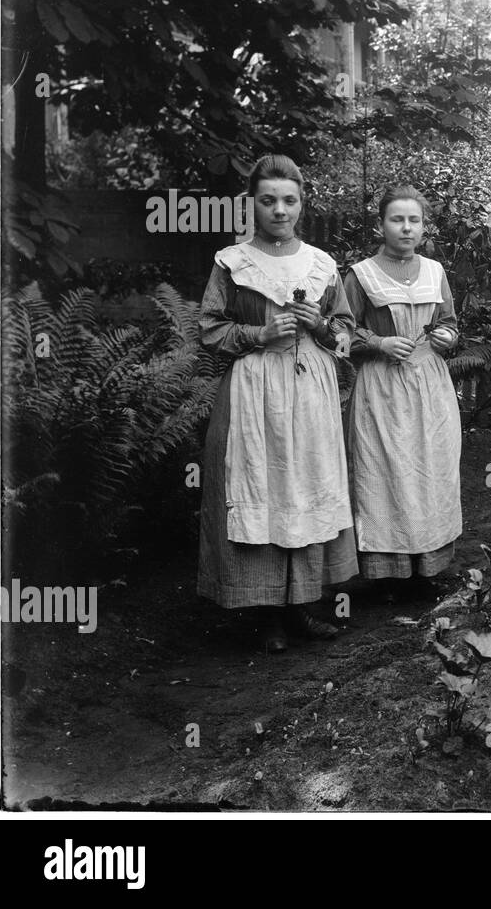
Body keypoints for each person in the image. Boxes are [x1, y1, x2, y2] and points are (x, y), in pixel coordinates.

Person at [198, 154, 356, 652]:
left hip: (310, 391)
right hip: (255, 389)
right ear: (252, 204)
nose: (279, 210)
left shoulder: (322, 265)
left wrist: (321, 325)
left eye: (289, 200)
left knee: (305, 484)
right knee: (262, 485)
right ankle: (265, 615)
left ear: (302, 203)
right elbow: (210, 330)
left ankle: (302, 606)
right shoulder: (232, 263)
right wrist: (259, 333)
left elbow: (345, 334)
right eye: (268, 200)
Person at [343, 186, 462, 599]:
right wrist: (378, 342)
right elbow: (339, 332)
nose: (406, 228)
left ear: (424, 227)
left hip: (430, 384)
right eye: (397, 219)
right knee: (386, 472)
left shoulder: (435, 271)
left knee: (431, 470)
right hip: (382, 386)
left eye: (414, 220)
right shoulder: (360, 275)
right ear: (381, 225)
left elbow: (448, 322)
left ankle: (427, 567)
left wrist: (447, 337)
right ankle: (388, 574)